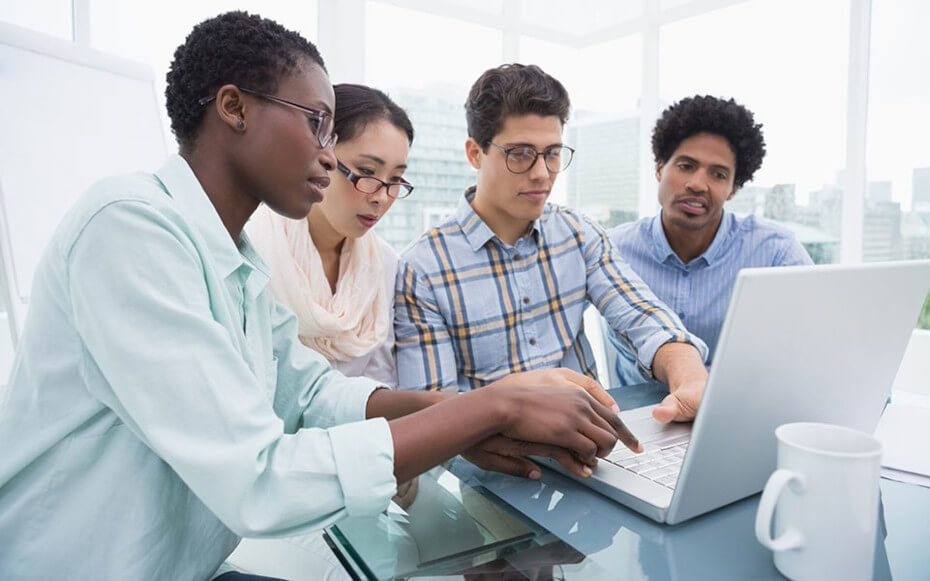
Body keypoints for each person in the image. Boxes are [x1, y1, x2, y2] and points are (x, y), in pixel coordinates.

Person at [0, 13, 637, 580]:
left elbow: (309, 393)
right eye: (318, 124)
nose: (329, 158)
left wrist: (466, 414)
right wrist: (488, 409)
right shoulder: (128, 226)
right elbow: (258, 477)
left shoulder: (234, 258)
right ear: (234, 106)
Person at [394, 63, 710, 424]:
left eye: (553, 153)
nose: (542, 173)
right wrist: (510, 402)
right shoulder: (423, 269)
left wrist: (691, 378)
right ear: (474, 153)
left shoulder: (577, 233)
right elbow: (431, 413)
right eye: (520, 153)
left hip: (596, 443)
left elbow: (644, 316)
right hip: (490, 468)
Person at [606, 95, 812, 384]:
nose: (697, 184)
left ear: (733, 189)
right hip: (635, 418)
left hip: (733, 412)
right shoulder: (612, 249)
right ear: (659, 168)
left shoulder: (776, 252)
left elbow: (819, 341)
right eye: (685, 166)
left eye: (717, 174)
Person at [247, 83, 413, 387]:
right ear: (321, 154)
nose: (381, 198)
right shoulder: (254, 252)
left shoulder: (385, 263)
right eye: (366, 172)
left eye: (395, 179)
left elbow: (383, 378)